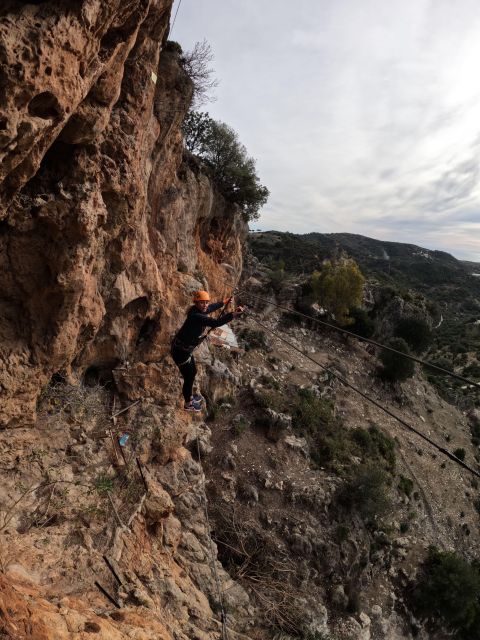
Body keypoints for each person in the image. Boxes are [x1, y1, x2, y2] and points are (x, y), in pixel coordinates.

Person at [171, 290, 244, 411]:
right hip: (180, 353)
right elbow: (216, 322)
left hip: (184, 350)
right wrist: (233, 314)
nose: (205, 305)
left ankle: (189, 396)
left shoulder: (199, 310)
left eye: (206, 302)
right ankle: (188, 404)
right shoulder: (196, 316)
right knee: (189, 378)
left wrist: (223, 302)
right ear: (196, 303)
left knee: (192, 373)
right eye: (202, 303)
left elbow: (210, 307)